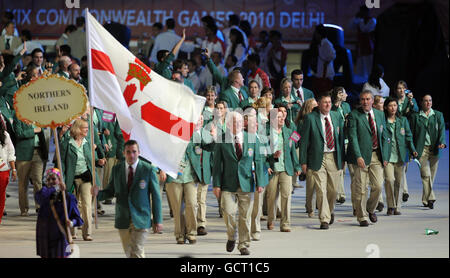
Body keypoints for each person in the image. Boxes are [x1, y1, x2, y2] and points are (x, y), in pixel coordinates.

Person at [94, 140, 163, 258]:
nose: (131, 155)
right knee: (129, 252)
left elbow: (156, 196)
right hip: (123, 217)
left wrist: (158, 220)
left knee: (136, 250)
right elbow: (111, 190)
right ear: (124, 153)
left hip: (141, 217)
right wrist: (97, 194)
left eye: (134, 152)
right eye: (128, 152)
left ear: (139, 152)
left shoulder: (147, 169)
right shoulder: (117, 169)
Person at [212, 111, 265, 255]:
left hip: (246, 183)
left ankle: (243, 244)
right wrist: (216, 185)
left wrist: (260, 182)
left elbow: (259, 161)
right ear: (228, 124)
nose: (239, 124)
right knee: (228, 213)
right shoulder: (222, 140)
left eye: (241, 122)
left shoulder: (252, 138)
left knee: (245, 216)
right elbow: (217, 165)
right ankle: (231, 235)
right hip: (227, 183)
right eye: (235, 122)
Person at [165, 116, 216, 244]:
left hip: (190, 176)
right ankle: (180, 235)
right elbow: (163, 151)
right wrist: (161, 169)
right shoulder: (172, 130)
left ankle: (192, 232)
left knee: (192, 204)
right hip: (174, 175)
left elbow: (209, 146)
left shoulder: (197, 134)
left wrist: (214, 137)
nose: (198, 121)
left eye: (200, 119)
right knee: (177, 208)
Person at [300, 93, 345, 229]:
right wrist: (303, 161)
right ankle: (324, 218)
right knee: (321, 189)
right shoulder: (310, 118)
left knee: (333, 190)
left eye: (329, 102)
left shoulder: (337, 117)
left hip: (333, 156)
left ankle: (329, 211)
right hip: (317, 157)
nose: (327, 105)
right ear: (319, 104)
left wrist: (342, 158)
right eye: (324, 102)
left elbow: (341, 139)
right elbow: (304, 142)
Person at [347, 90, 389, 227]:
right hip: (361, 156)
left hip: (377, 155)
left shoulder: (380, 114)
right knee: (361, 188)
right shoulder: (354, 115)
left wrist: (386, 156)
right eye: (363, 99)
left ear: (372, 101)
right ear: (360, 101)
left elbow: (385, 136)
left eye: (368, 99)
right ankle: (362, 217)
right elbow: (352, 137)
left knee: (377, 186)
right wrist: (358, 156)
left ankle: (370, 209)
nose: (365, 102)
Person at [59, 118, 105, 241]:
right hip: (71, 179)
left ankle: (87, 233)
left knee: (87, 205)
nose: (87, 130)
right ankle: (72, 232)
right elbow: (61, 163)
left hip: (86, 178)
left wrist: (98, 161)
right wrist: (61, 179)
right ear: (78, 129)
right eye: (85, 128)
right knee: (72, 206)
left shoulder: (88, 143)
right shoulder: (66, 143)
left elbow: (91, 160)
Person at [35, 168, 83, 258]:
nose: (50, 181)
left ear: (60, 180)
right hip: (45, 236)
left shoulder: (68, 197)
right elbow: (40, 198)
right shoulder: (44, 193)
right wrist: (55, 188)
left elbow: (78, 219)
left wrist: (71, 223)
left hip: (59, 237)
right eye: (48, 179)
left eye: (54, 179)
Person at [409, 95, 446, 209]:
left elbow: (441, 130)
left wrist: (442, 142)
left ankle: (425, 198)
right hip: (421, 149)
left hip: (435, 149)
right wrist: (412, 149)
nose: (428, 102)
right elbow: (410, 134)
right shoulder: (415, 117)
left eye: (430, 100)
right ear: (421, 103)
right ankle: (431, 198)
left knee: (431, 176)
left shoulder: (438, 115)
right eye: (425, 100)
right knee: (426, 175)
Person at [266, 109, 301, 232]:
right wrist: (269, 161)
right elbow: (262, 153)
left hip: (286, 169)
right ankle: (271, 219)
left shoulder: (288, 131)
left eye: (282, 117)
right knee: (271, 197)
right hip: (272, 169)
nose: (282, 119)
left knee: (286, 196)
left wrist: (297, 166)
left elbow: (292, 151)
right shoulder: (266, 133)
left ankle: (285, 223)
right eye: (278, 117)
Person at [383, 97, 418, 215]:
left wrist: (413, 149)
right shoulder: (383, 121)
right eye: (390, 105)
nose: (393, 108)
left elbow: (408, 136)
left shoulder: (402, 120)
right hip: (387, 157)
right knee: (389, 180)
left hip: (400, 156)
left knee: (398, 182)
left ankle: (397, 206)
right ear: (386, 107)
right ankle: (390, 205)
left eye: (395, 105)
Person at [13, 115, 49, 216]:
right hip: (23, 154)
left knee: (38, 181)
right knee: (23, 183)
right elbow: (19, 133)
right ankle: (24, 209)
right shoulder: (18, 117)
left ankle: (40, 207)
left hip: (38, 152)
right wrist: (33, 131)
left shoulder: (39, 116)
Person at [394, 80, 419, 203]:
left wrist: (410, 101)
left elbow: (416, 112)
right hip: (395, 133)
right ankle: (405, 191)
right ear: (396, 90)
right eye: (399, 88)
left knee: (405, 165)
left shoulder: (411, 101)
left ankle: (403, 189)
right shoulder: (393, 102)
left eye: (403, 88)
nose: (401, 90)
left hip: (406, 133)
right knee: (401, 164)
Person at [295, 98, 318, 217]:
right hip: (307, 155)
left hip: (318, 154)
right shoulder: (302, 122)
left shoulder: (319, 120)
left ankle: (315, 205)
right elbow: (296, 137)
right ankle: (310, 208)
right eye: (313, 107)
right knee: (311, 184)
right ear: (308, 108)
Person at [331, 87, 351, 204]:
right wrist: (336, 104)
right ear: (338, 95)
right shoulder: (333, 106)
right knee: (338, 167)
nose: (346, 95)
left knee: (343, 169)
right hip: (337, 139)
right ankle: (340, 194)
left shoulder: (347, 106)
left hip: (347, 139)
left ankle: (341, 192)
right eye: (344, 93)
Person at [350, 6, 376, 82]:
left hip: (369, 48)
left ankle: (370, 83)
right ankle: (361, 84)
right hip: (360, 48)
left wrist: (360, 21)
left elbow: (365, 29)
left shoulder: (372, 20)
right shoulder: (359, 20)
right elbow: (350, 26)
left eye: (364, 12)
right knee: (360, 70)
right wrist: (356, 17)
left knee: (369, 69)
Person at [310, 24, 336, 96]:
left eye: (316, 33)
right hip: (320, 74)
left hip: (326, 75)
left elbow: (333, 55)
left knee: (325, 96)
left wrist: (326, 62)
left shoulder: (327, 44)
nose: (315, 35)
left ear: (319, 34)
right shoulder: (320, 44)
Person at [0, 121, 15, 223]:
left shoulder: (5, 135)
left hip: (3, 170)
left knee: (1, 196)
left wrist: (13, 169)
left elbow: (11, 152)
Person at [267, 30, 287, 96]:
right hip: (272, 77)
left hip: (280, 77)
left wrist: (274, 57)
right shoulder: (270, 49)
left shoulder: (282, 50)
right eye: (273, 39)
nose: (274, 41)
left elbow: (283, 64)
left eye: (276, 39)